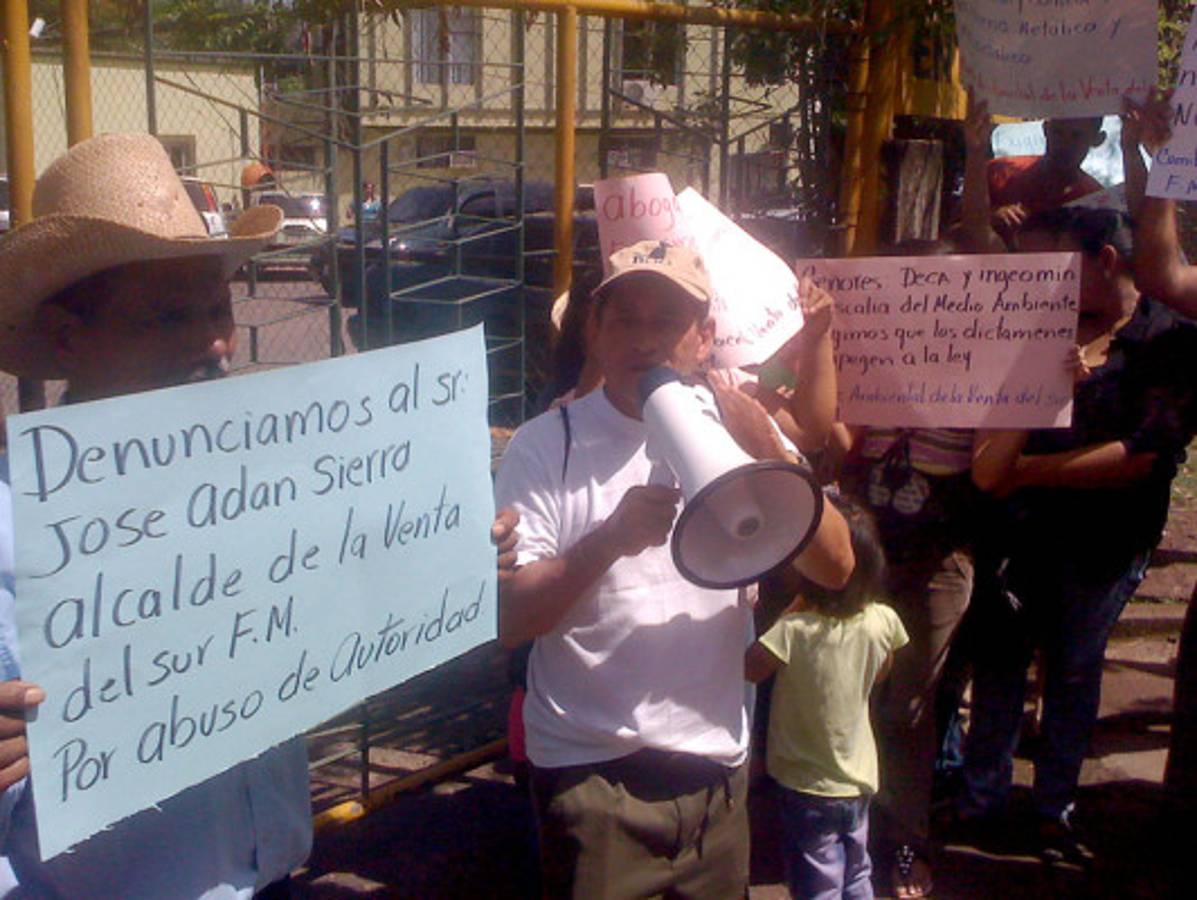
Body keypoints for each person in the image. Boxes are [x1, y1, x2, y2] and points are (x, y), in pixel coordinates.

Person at [0, 133, 522, 898]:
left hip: (276, 875)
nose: (214, 341)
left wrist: (448, 561)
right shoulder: (15, 529)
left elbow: (334, 619)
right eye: (169, 317)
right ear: (67, 337)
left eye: (218, 309)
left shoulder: (273, 484)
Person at [494, 239, 855, 898]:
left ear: (703, 336)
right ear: (595, 333)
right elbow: (514, 619)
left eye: (666, 321)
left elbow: (834, 568)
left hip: (714, 772)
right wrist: (607, 542)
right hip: (592, 775)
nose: (643, 339)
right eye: (624, 319)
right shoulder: (546, 444)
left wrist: (764, 448)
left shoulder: (740, 425)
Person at [958, 206, 1197, 865]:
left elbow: (1145, 453)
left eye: (1051, 268)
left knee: (1071, 672)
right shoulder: (1028, 325)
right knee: (1001, 666)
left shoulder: (1166, 339)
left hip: (1103, 546)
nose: (1034, 282)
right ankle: (980, 801)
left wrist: (1022, 471)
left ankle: (1051, 809)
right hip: (1014, 539)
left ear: (1106, 262)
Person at [745, 497, 908, 900]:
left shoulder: (794, 630)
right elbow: (882, 671)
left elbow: (750, 668)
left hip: (807, 784)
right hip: (859, 778)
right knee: (856, 871)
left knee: (817, 882)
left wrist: (790, 608)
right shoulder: (882, 620)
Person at [986, 116, 1105, 244]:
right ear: (1045, 129)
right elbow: (963, 231)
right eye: (1057, 132)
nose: (1064, 144)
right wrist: (988, 220)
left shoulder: (1097, 202)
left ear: (1098, 139)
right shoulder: (997, 172)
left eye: (1077, 136)